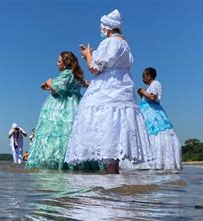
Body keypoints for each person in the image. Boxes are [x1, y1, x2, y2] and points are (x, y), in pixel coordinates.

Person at [64, 9, 153, 174]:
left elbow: (94, 68)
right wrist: (89, 56)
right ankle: (113, 178)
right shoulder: (125, 44)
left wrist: (88, 55)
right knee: (115, 129)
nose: (101, 31)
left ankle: (109, 182)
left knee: (104, 127)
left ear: (107, 28)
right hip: (122, 89)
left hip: (106, 90)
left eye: (102, 27)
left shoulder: (109, 43)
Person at [26, 51, 98, 170]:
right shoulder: (75, 75)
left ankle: (61, 163)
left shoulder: (67, 74)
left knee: (59, 133)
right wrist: (49, 87)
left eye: (59, 61)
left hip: (63, 106)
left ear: (65, 64)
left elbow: (60, 89)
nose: (57, 63)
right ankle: (78, 162)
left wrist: (49, 83)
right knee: (72, 134)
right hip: (76, 105)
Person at [122, 68, 182, 170]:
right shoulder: (150, 86)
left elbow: (153, 98)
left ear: (149, 75)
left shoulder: (155, 83)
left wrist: (142, 91)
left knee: (156, 134)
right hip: (147, 113)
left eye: (144, 76)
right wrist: (142, 94)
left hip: (153, 114)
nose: (142, 78)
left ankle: (159, 163)